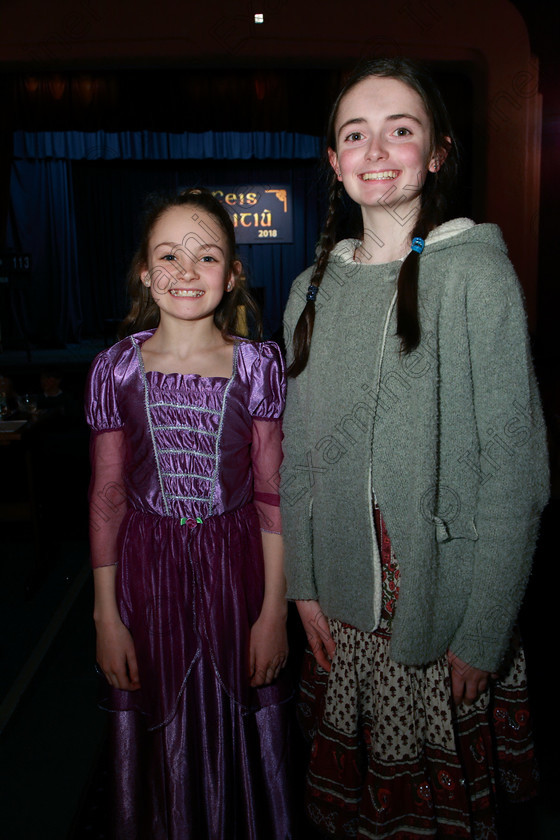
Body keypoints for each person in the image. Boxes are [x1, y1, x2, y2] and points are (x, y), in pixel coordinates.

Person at [281, 58, 549, 839]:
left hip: (441, 604)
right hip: (342, 605)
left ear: (436, 152)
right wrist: (303, 584)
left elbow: (516, 472)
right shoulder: (311, 290)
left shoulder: (476, 276)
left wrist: (485, 629)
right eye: (354, 134)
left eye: (400, 129)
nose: (375, 149)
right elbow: (300, 458)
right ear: (333, 161)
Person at [85, 188, 292, 840]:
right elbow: (108, 494)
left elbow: (270, 494)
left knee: (241, 717)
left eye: (206, 257)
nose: (184, 271)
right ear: (145, 272)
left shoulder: (258, 366)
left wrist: (272, 612)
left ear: (232, 275)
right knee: (159, 726)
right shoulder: (116, 369)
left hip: (238, 572)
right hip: (146, 577)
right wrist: (105, 613)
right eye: (168, 255)